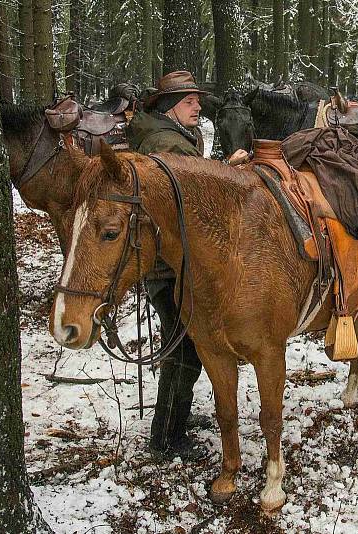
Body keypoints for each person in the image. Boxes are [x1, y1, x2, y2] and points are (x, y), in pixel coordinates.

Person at [125, 70, 210, 460]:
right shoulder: (168, 146)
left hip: (169, 260)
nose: (198, 106)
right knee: (184, 346)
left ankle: (176, 419)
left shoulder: (174, 137)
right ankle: (166, 437)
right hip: (168, 266)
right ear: (168, 106)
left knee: (183, 342)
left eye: (197, 100)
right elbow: (191, 202)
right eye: (190, 101)